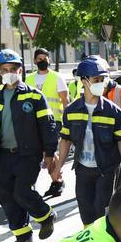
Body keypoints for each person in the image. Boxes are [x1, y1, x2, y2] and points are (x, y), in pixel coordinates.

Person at [0, 49, 58, 242]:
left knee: (22, 192)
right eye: (4, 69)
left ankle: (46, 215)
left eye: (12, 68)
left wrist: (50, 152)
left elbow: (47, 124)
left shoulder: (33, 96)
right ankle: (22, 235)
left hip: (28, 154)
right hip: (3, 155)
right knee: (5, 194)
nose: (8, 72)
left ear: (20, 69)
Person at [53, 57, 121, 225]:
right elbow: (65, 140)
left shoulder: (114, 112)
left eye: (102, 80)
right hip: (82, 170)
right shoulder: (71, 111)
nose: (101, 84)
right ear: (84, 81)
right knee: (85, 210)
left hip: (106, 169)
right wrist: (58, 167)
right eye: (96, 80)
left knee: (101, 209)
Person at [28, 48, 70, 199]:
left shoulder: (57, 77)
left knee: (49, 151)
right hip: (34, 123)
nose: (42, 61)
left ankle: (57, 181)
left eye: (45, 58)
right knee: (45, 152)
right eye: (39, 59)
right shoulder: (29, 79)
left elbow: (66, 102)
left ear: (49, 60)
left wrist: (68, 122)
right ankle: (57, 180)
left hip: (54, 121)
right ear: (34, 61)